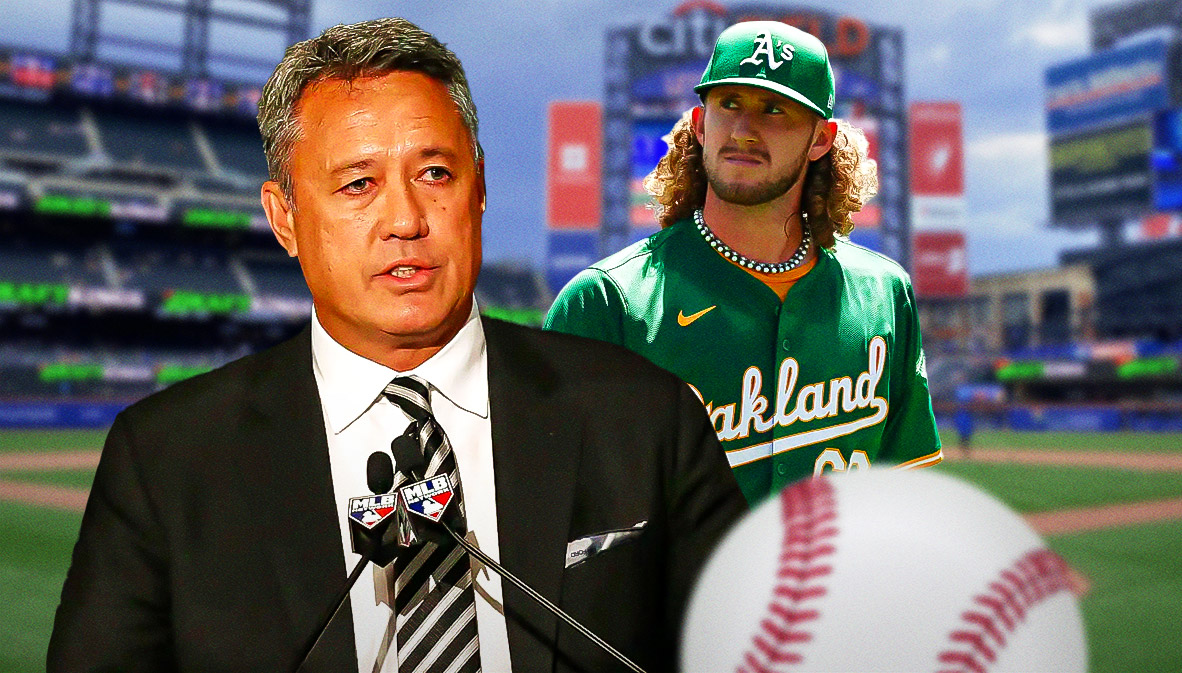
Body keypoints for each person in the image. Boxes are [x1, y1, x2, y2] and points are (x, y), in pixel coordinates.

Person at [48, 18, 745, 673]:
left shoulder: (646, 418)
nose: (406, 219)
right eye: (358, 184)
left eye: (435, 174)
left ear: (478, 189)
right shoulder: (164, 460)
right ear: (284, 218)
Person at [545, 21, 941, 507]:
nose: (743, 131)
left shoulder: (884, 295)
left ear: (821, 139)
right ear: (699, 123)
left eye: (774, 110)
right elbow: (546, 508)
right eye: (729, 104)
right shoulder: (608, 304)